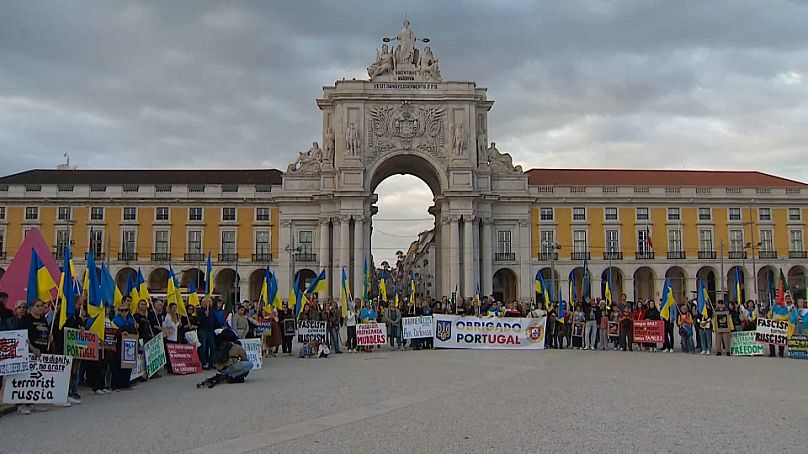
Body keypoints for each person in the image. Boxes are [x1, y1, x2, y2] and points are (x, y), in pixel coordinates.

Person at [110, 302, 137, 391]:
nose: (124, 312)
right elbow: (112, 334)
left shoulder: (130, 321)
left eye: (126, 310)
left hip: (129, 346)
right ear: (118, 311)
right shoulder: (115, 321)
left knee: (128, 364)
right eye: (122, 310)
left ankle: (126, 383)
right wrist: (120, 333)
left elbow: (135, 332)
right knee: (117, 365)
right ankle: (116, 385)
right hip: (119, 345)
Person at [196, 297, 217, 369]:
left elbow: (214, 320)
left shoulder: (211, 310)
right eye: (208, 302)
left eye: (210, 302)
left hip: (210, 330)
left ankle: (212, 362)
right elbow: (199, 321)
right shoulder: (200, 310)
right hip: (203, 330)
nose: (209, 303)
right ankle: (203, 362)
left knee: (213, 347)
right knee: (203, 347)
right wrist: (205, 315)